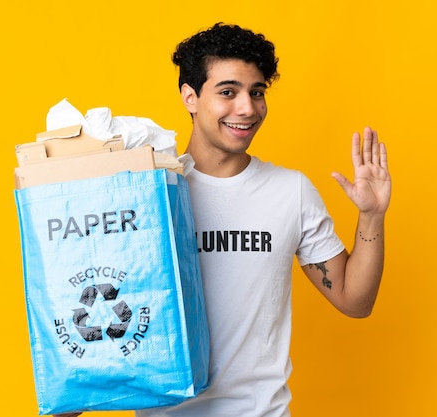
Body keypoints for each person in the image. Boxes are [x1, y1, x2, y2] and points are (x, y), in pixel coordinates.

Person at [56, 22, 391, 417]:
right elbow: (96, 288)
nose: (247, 108)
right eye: (228, 92)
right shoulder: (146, 193)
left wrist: (371, 216)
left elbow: (355, 301)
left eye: (257, 92)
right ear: (190, 97)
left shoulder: (291, 192)